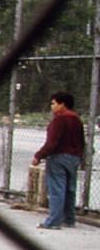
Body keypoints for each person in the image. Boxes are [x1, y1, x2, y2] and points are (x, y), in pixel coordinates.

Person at [32, 91, 85, 230]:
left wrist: (39, 155)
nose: (52, 106)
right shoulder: (77, 119)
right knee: (70, 189)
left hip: (59, 157)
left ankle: (53, 221)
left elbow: (52, 142)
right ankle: (69, 219)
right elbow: (81, 141)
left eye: (54, 103)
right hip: (74, 157)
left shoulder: (59, 119)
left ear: (62, 104)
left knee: (57, 189)